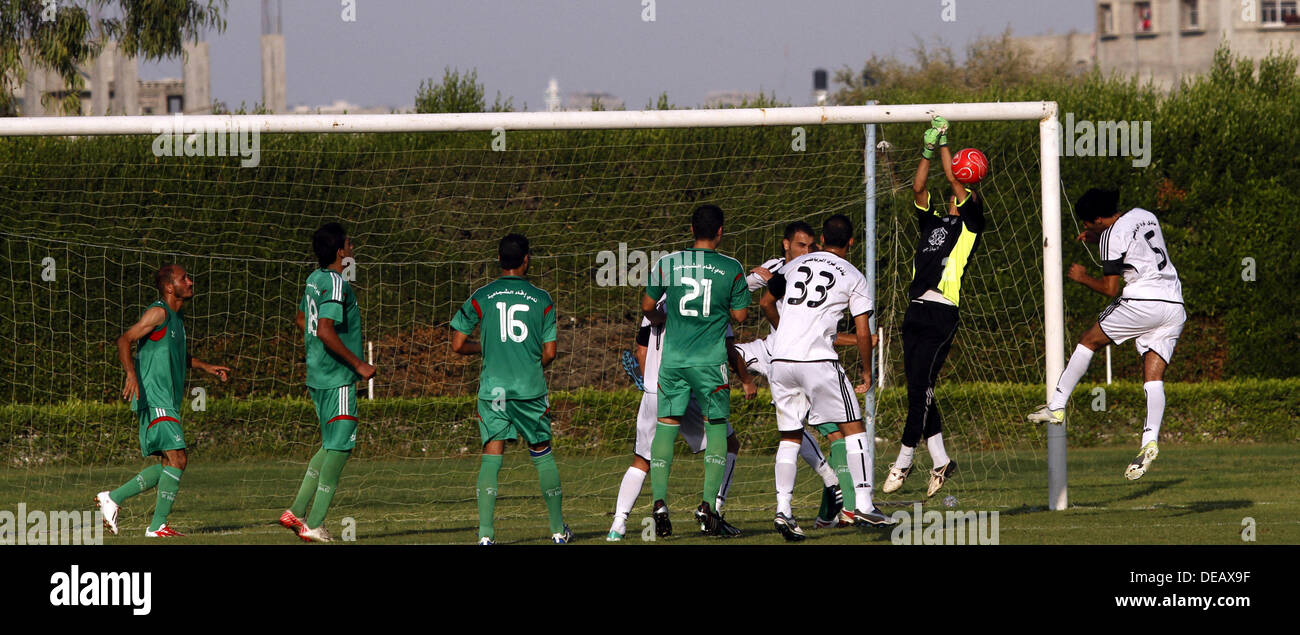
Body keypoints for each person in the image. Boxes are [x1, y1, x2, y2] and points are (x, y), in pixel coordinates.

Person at [1029, 188, 1185, 480]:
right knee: (1153, 377)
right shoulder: (1144, 214)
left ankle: (1058, 405)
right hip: (1174, 303)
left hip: (1143, 301)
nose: (1085, 227)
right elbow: (1133, 240)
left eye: (1088, 223)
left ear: (1099, 219)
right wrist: (1098, 237)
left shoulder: (1111, 238)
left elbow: (1110, 289)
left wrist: (1083, 277)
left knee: (1088, 340)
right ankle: (1149, 440)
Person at [760, 214, 896, 538]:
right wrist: (866, 370)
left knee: (791, 435)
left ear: (820, 240)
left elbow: (766, 301)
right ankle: (862, 502)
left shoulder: (792, 266)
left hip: (780, 361)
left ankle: (784, 510)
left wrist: (786, 333)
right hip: (818, 360)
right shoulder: (854, 276)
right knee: (854, 426)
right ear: (851, 243)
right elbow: (862, 332)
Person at [881, 116, 987, 499]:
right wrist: (927, 148)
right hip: (914, 310)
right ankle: (941, 461)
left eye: (962, 193)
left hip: (941, 312)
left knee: (919, 391)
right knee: (919, 389)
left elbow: (956, 180)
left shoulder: (971, 225)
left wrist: (945, 143)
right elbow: (919, 186)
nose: (955, 195)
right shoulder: (932, 223)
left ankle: (904, 461)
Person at [451, 233, 571, 544]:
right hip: (529, 389)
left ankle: (486, 535)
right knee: (542, 454)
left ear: (499, 261)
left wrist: (488, 349)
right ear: (527, 259)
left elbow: (457, 344)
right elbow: (550, 352)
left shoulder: (482, 295)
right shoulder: (542, 298)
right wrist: (528, 366)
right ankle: (558, 531)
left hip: (495, 392)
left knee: (492, 458)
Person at [95, 264, 231, 537]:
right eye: (184, 279)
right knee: (178, 459)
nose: (191, 282)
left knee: (170, 463)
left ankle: (113, 498)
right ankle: (156, 526)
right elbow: (125, 339)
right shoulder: (158, 312)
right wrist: (131, 374)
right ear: (170, 287)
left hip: (166, 399)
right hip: (154, 396)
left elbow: (179, 356)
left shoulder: (177, 320)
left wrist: (206, 367)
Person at [643, 204, 749, 537]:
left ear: (691, 229)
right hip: (710, 362)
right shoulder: (730, 267)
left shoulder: (667, 263)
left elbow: (648, 307)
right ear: (721, 231)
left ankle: (659, 502)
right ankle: (708, 507)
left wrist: (667, 317)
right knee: (716, 428)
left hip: (673, 361)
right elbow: (741, 316)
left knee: (666, 427)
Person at [606, 299, 753, 541]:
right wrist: (745, 378)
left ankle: (618, 525)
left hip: (655, 391)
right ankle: (713, 512)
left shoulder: (653, 308)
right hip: (691, 388)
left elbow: (641, 351)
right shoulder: (707, 298)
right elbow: (727, 347)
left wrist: (647, 383)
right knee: (728, 444)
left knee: (642, 460)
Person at [742, 220, 850, 528]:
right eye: (802, 245)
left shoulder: (815, 268)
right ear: (786, 244)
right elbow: (738, 288)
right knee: (728, 356)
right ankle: (835, 494)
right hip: (774, 352)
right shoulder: (775, 267)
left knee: (829, 431)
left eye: (812, 245)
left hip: (803, 359)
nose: (808, 249)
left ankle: (841, 498)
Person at [281, 222, 376, 542]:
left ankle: (294, 511)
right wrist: (359, 364)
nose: (352, 249)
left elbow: (301, 319)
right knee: (342, 447)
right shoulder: (336, 283)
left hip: (318, 375)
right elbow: (324, 329)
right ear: (340, 252)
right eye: (349, 244)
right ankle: (314, 523)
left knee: (329, 445)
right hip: (337, 379)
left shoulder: (314, 279)